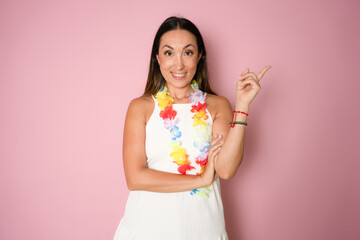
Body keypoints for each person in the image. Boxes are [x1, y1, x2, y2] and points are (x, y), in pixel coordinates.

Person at [113, 16, 271, 240]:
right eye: (169, 53)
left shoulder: (217, 105)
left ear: (199, 56)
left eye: (187, 52)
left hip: (203, 229)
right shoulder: (141, 107)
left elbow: (225, 169)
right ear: (157, 58)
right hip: (146, 229)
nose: (178, 64)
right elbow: (135, 178)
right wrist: (200, 180)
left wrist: (242, 106)